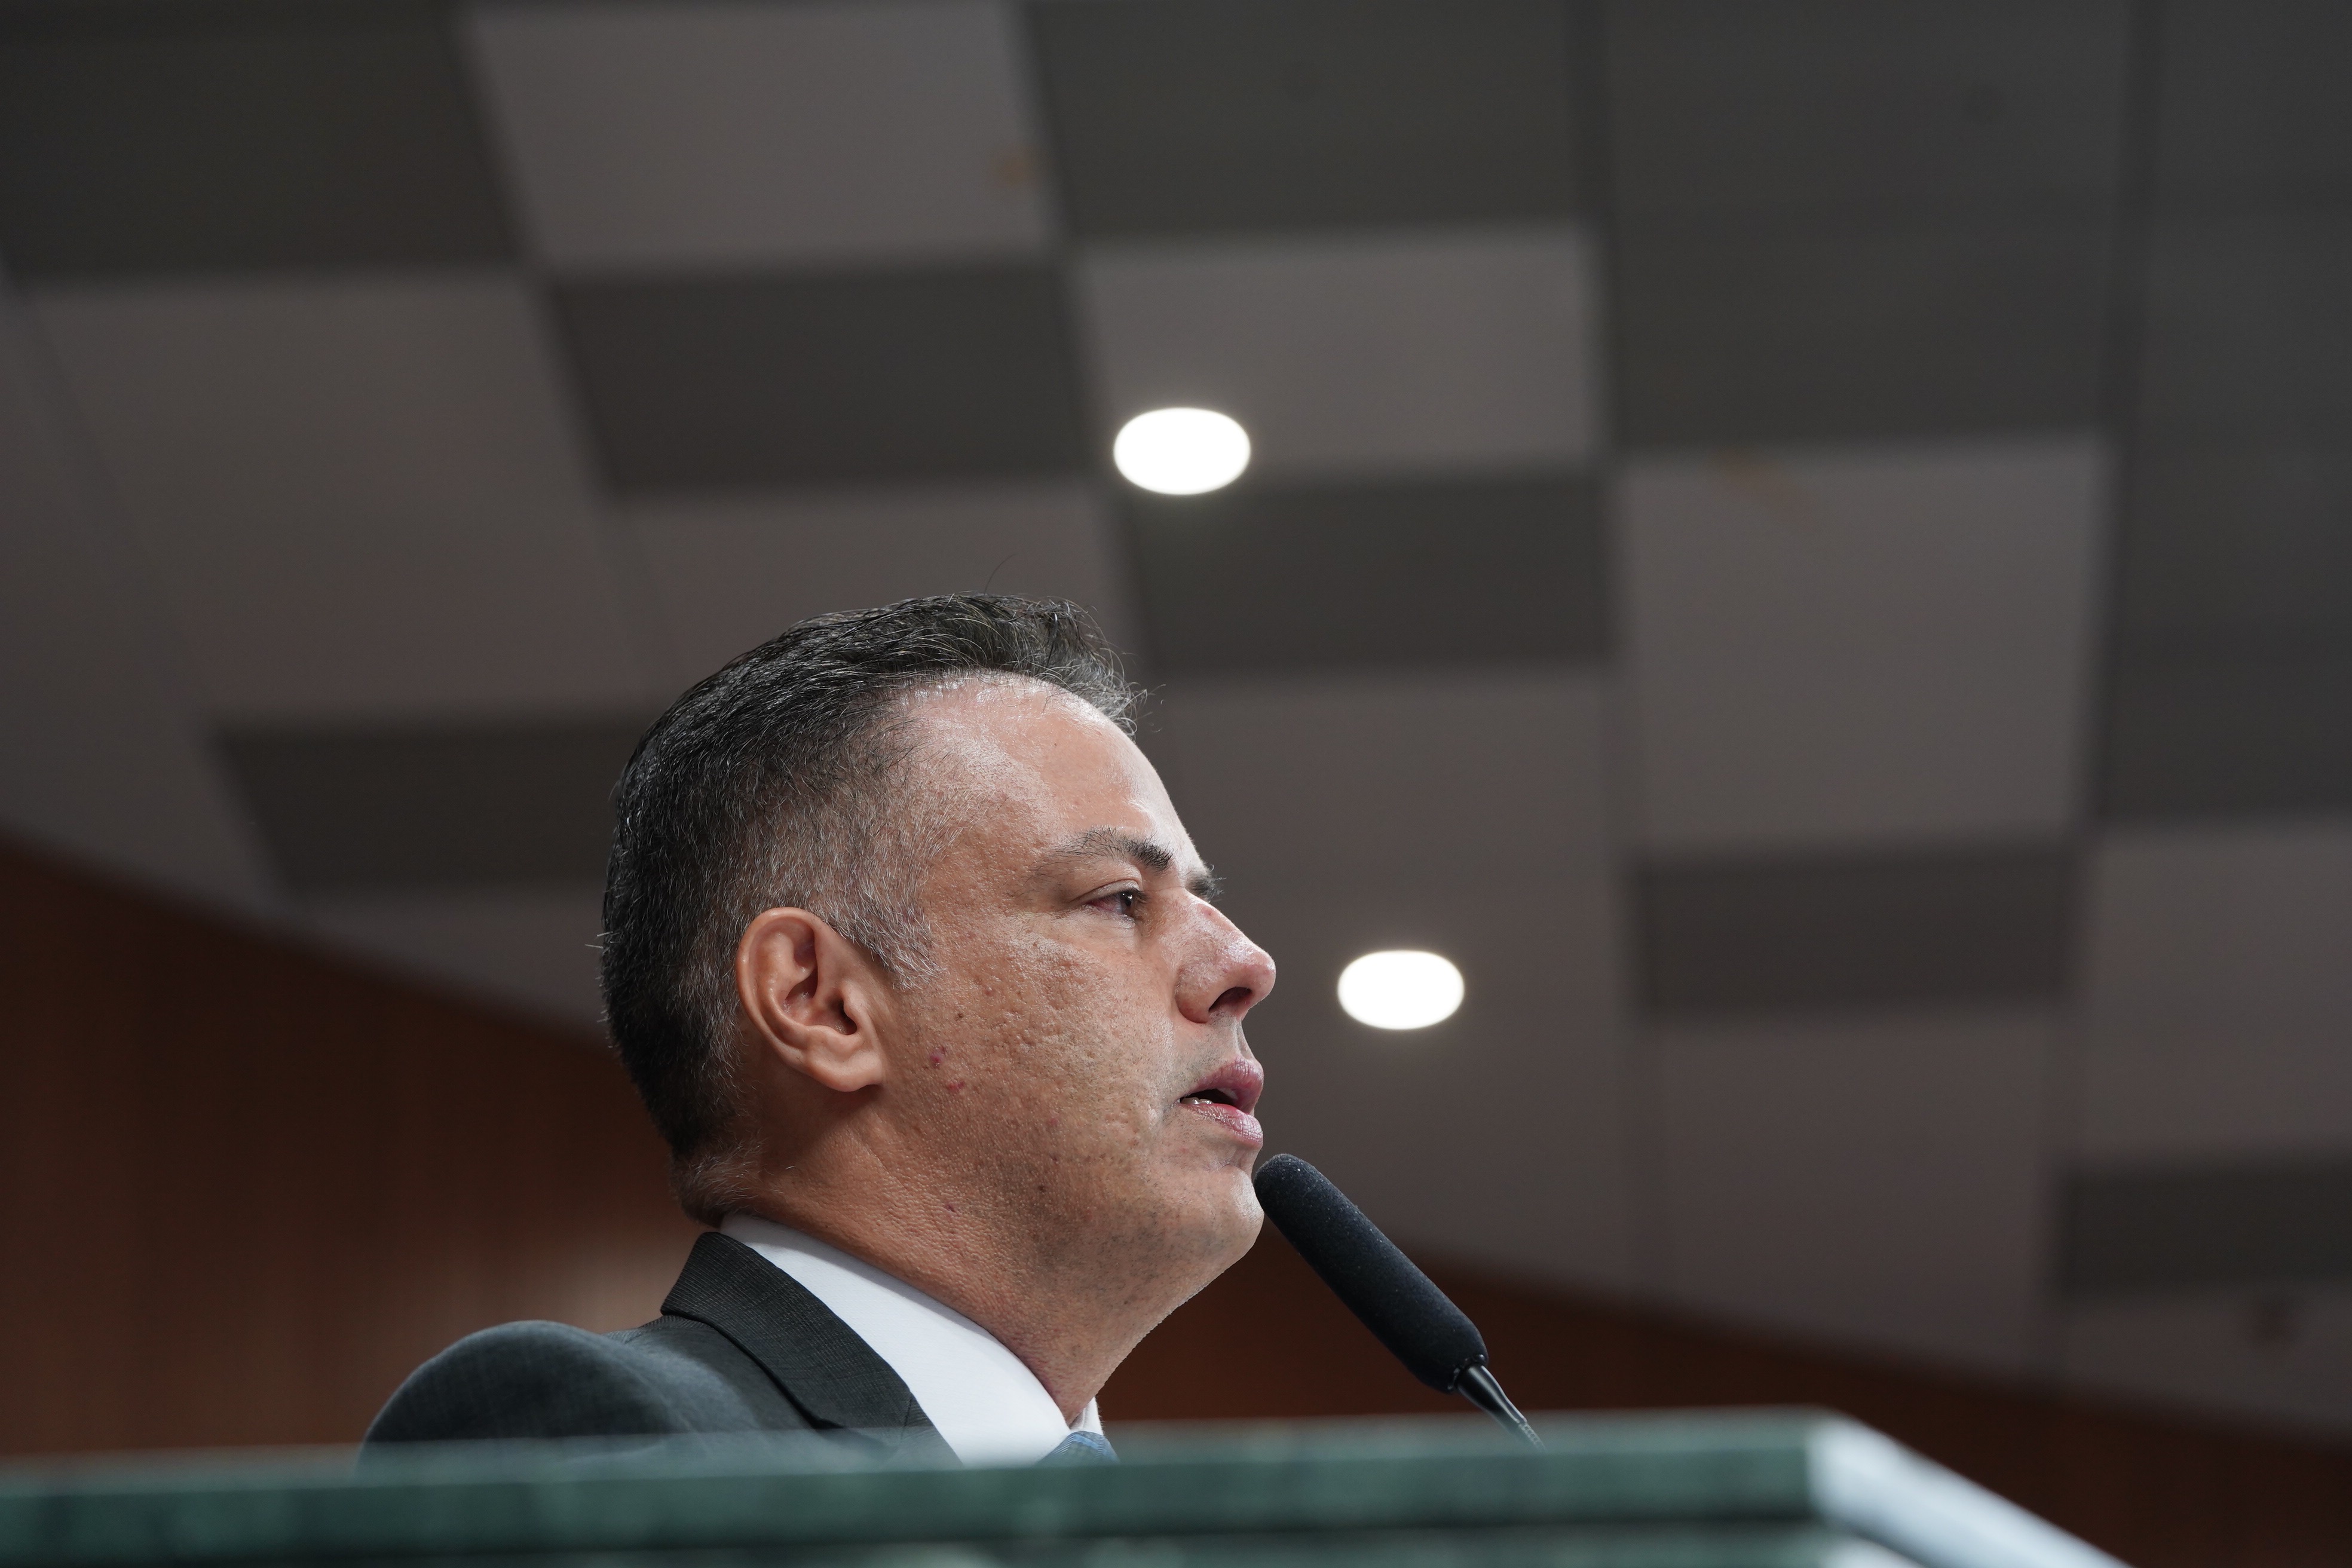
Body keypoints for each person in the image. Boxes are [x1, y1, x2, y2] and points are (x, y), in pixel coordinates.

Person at [365, 596, 1276, 1465]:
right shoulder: (594, 1435)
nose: (1246, 965)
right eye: (1120, 898)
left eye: (1203, 901)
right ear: (821, 1003)